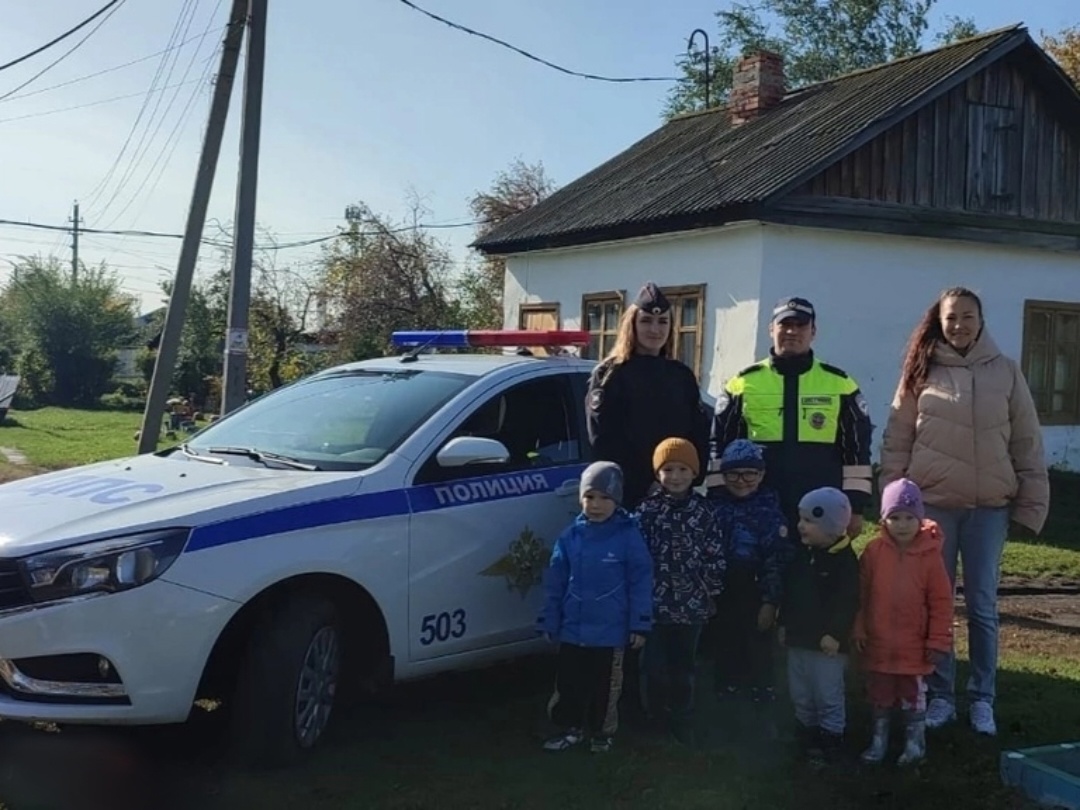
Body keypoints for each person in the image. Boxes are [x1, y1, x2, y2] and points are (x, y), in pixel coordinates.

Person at [880, 287, 1050, 737]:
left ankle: (981, 699)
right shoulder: (920, 370)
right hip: (933, 507)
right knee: (934, 606)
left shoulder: (1007, 372)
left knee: (982, 606)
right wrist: (892, 495)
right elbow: (897, 437)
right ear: (939, 321)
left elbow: (1026, 442)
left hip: (988, 509)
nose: (959, 325)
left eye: (967, 317)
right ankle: (939, 696)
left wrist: (1032, 502)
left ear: (981, 320)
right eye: (951, 317)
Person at [586, 281, 709, 726]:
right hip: (631, 505)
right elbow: (604, 447)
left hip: (675, 505)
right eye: (647, 320)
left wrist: (677, 486)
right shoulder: (610, 374)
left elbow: (697, 440)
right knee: (628, 602)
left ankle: (666, 695)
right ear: (631, 323)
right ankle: (622, 698)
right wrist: (631, 496)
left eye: (662, 321)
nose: (655, 328)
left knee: (667, 602)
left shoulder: (681, 376)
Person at [707, 296, 874, 543]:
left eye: (800, 326)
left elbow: (857, 450)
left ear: (813, 332)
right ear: (771, 329)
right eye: (784, 325)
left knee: (816, 578)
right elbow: (719, 445)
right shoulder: (742, 384)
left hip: (820, 505)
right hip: (757, 504)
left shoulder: (840, 384)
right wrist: (720, 498)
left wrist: (856, 507)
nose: (791, 332)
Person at [537, 461, 653, 753]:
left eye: (604, 498)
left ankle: (602, 733)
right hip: (573, 631)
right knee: (568, 685)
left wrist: (640, 623)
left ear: (617, 500)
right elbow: (555, 582)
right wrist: (550, 620)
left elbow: (641, 581)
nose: (596, 505)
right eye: (590, 497)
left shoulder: (628, 536)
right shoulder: (570, 537)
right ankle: (569, 728)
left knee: (607, 688)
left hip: (611, 634)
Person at [853, 478, 953, 766]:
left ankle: (914, 744)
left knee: (913, 694)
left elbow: (941, 602)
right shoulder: (873, 552)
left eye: (910, 517)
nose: (902, 524)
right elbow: (861, 595)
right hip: (879, 641)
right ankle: (879, 740)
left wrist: (938, 640)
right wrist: (859, 627)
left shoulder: (931, 556)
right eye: (895, 517)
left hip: (915, 643)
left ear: (919, 518)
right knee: (880, 693)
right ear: (884, 518)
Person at [636, 438, 726, 745]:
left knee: (684, 667)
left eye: (683, 469)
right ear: (658, 473)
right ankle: (654, 719)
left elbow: (715, 554)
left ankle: (682, 718)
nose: (675, 476)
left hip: (692, 606)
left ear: (694, 473)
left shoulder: (704, 512)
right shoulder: (647, 512)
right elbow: (635, 558)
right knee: (654, 668)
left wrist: (710, 591)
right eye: (668, 469)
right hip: (655, 606)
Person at [777, 487, 859, 766]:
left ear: (833, 527)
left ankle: (832, 738)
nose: (801, 526)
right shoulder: (802, 555)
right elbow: (791, 592)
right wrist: (784, 623)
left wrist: (836, 634)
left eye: (809, 521)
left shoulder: (844, 563)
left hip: (827, 647)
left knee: (827, 694)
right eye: (800, 519)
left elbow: (847, 601)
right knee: (800, 691)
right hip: (798, 639)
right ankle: (806, 734)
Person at [705, 439, 787, 718]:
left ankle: (762, 690)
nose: (741, 481)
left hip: (756, 588)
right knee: (725, 638)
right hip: (722, 588)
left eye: (749, 474)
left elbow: (776, 560)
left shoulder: (770, 509)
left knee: (758, 639)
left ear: (761, 475)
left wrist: (770, 601)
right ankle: (726, 689)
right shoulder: (713, 507)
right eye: (733, 474)